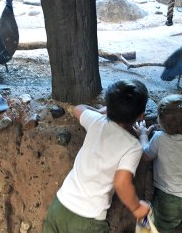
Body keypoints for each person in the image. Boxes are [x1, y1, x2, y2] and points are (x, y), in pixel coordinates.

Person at [42, 79, 150, 233]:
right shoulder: (133, 147)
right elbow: (122, 183)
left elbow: (78, 109)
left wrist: (100, 112)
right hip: (88, 220)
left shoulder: (96, 121)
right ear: (141, 115)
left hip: (60, 205)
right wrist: (137, 208)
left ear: (108, 107)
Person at [133, 94, 182, 233]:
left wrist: (143, 135)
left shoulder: (159, 138)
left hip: (167, 197)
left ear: (160, 122)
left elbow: (146, 156)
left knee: (163, 226)